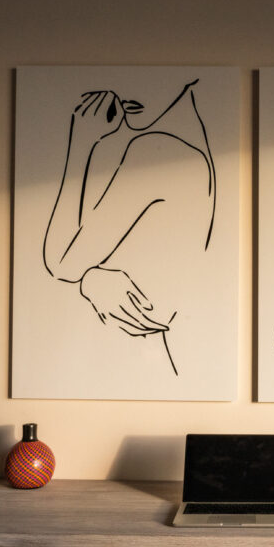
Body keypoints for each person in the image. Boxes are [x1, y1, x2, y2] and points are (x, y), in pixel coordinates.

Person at [43, 79, 216, 375]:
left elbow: (62, 263)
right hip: (156, 358)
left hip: (143, 360)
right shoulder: (192, 141)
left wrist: (82, 141)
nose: (131, 93)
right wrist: (93, 276)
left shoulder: (162, 151)